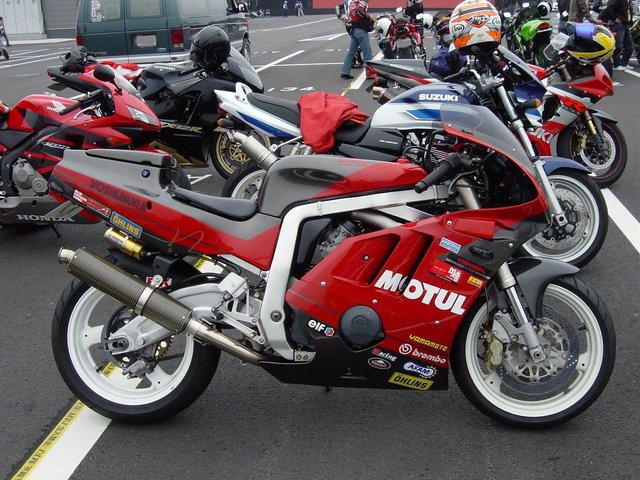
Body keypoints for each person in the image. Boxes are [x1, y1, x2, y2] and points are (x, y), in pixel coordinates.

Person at [340, 0, 373, 79]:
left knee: (351, 52)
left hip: (353, 29)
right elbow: (359, 10)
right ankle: (370, 73)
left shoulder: (353, 3)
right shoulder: (360, 4)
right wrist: (368, 16)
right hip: (361, 29)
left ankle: (345, 71)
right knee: (367, 52)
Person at [598, 0, 634, 70]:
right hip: (618, 25)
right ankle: (616, 64)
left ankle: (624, 64)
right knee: (618, 46)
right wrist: (614, 18)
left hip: (625, 24)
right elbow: (609, 8)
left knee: (630, 45)